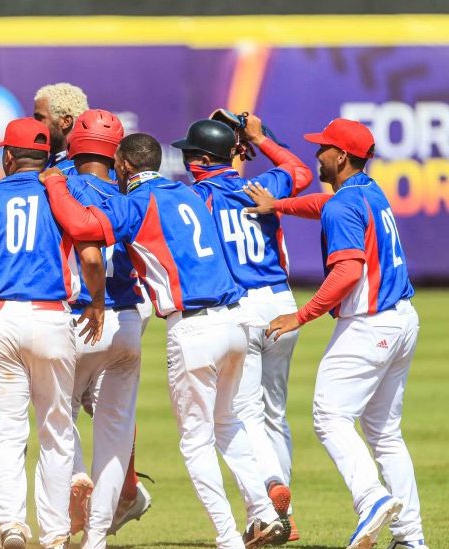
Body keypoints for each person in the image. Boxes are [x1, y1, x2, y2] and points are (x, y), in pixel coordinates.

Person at [42, 132, 287, 548]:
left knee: (195, 442)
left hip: (191, 326)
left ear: (122, 164)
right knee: (228, 423)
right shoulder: (191, 194)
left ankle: (229, 538)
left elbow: (84, 226)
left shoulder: (137, 203)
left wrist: (55, 183)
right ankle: (264, 514)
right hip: (233, 322)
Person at [245, 118, 427, 549]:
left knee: (330, 416)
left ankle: (371, 498)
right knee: (384, 433)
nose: (318, 153)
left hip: (369, 324)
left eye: (324, 148)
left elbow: (348, 270)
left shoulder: (343, 204)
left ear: (342, 156)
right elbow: (322, 206)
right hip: (403, 320)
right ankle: (411, 538)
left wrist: (301, 316)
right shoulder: (365, 190)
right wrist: (282, 207)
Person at [0, 117, 106, 549]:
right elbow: (91, 257)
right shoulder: (61, 194)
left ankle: (12, 524)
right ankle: (54, 535)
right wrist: (95, 300)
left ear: (9, 156)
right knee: (55, 430)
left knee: (7, 433)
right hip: (50, 315)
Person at [174, 113, 313, 539]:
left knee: (243, 410)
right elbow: (301, 172)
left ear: (198, 160)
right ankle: (280, 509)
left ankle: (270, 484)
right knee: (275, 412)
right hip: (282, 302)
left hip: (243, 306)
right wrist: (259, 137)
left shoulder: (197, 197)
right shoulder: (261, 186)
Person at [56, 110, 148, 549]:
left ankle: (74, 477)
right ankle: (96, 541)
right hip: (127, 319)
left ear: (74, 144)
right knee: (114, 438)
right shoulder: (131, 197)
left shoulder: (61, 185)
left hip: (79, 314)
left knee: (61, 417)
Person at [33, 83, 89, 174]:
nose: (34, 124)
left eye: (39, 118)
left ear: (66, 122)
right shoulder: (50, 162)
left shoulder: (78, 170)